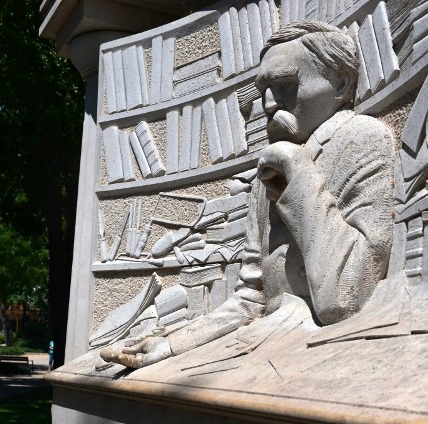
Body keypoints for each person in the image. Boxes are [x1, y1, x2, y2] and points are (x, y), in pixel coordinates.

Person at [101, 21, 395, 369]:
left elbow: (347, 299)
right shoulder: (268, 172)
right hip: (271, 343)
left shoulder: (363, 140)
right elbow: (251, 298)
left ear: (341, 83)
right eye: (263, 90)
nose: (268, 103)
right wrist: (173, 344)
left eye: (285, 85)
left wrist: (300, 174)